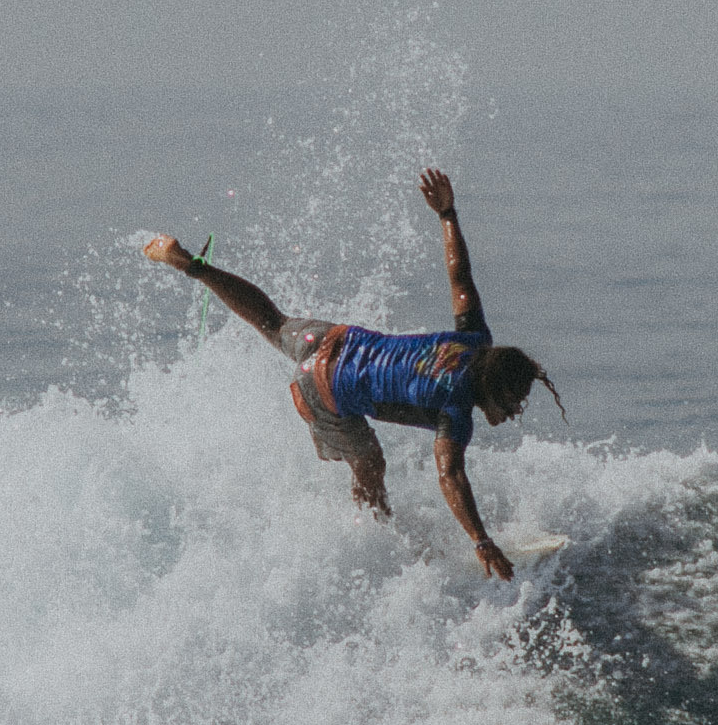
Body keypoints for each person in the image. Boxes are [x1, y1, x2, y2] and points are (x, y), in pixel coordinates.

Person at [144, 167, 562, 580]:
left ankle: (192, 266)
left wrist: (447, 215)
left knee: (272, 320)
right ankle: (375, 552)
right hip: (321, 388)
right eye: (512, 401)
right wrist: (482, 541)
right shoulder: (455, 409)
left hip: (327, 339)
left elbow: (460, 277)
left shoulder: (473, 338)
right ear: (490, 387)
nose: (514, 410)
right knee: (370, 468)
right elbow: (450, 475)